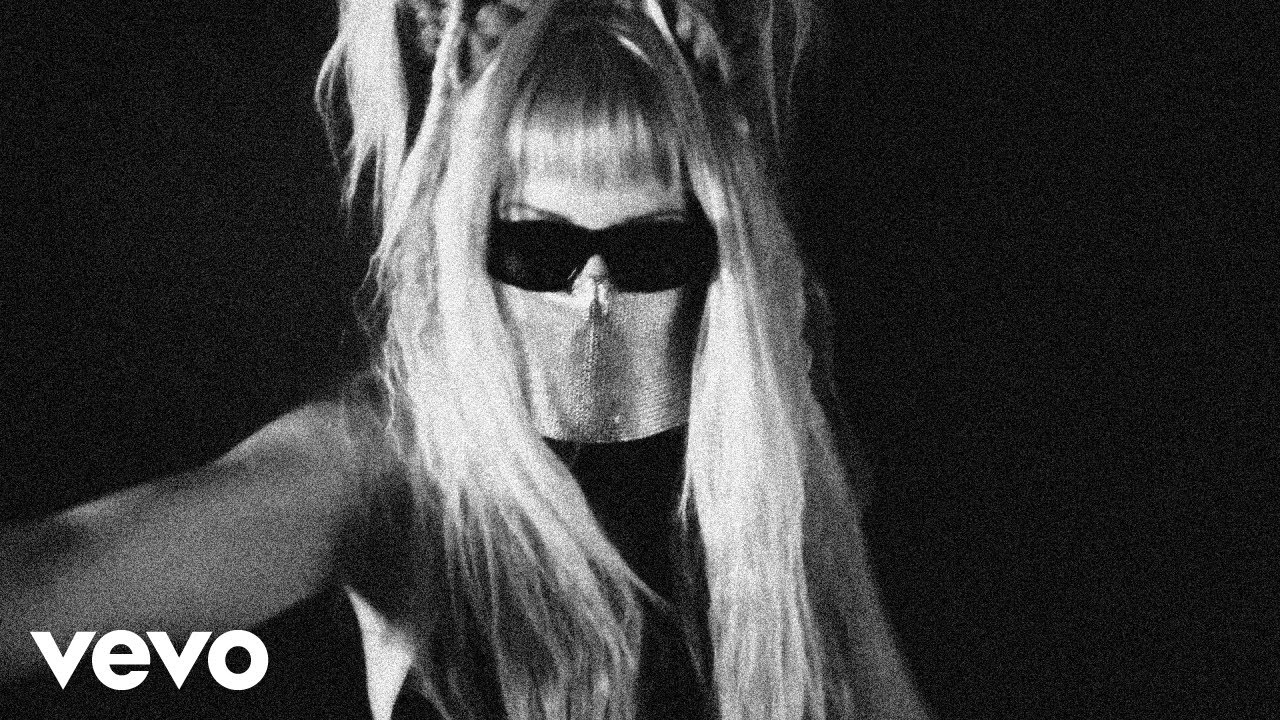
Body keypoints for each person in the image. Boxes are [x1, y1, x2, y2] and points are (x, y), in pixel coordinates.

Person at [1, 1, 931, 718]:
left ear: (715, 257)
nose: (592, 295)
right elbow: (56, 582)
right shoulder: (391, 471)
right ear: (467, 245)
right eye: (538, 247)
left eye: (648, 249)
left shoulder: (774, 473)